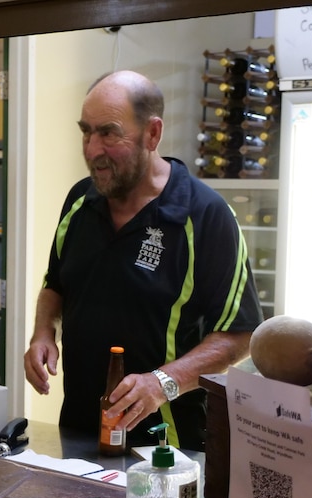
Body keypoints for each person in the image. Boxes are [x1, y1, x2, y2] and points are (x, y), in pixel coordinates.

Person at [23, 70, 262, 451]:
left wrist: (163, 382)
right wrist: (42, 332)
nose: (92, 149)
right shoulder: (80, 201)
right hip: (81, 435)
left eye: (109, 133)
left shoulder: (205, 215)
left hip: (167, 446)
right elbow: (56, 285)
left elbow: (240, 334)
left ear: (152, 134)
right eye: (86, 131)